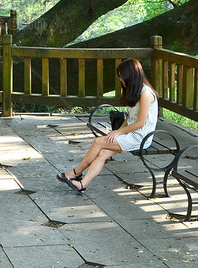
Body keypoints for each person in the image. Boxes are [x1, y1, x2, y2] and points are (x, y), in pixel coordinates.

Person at [57, 58, 158, 194]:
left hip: (141, 137)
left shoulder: (146, 94)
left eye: (122, 77)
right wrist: (118, 130)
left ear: (131, 76)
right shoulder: (135, 90)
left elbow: (141, 123)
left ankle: (75, 172)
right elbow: (129, 117)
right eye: (120, 78)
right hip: (131, 133)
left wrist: (118, 133)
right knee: (103, 153)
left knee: (98, 142)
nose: (121, 81)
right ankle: (82, 184)